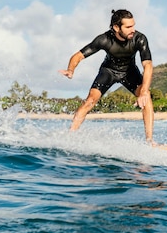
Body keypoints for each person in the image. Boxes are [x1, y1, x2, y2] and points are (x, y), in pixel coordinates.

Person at [59, 9, 155, 143]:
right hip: (108, 71)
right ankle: (70, 136)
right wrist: (71, 69)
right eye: (128, 27)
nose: (133, 29)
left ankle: (150, 141)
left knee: (146, 97)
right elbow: (78, 56)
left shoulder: (140, 39)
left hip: (129, 72)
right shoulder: (104, 39)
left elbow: (148, 65)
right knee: (90, 100)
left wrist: (144, 92)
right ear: (116, 27)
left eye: (133, 25)